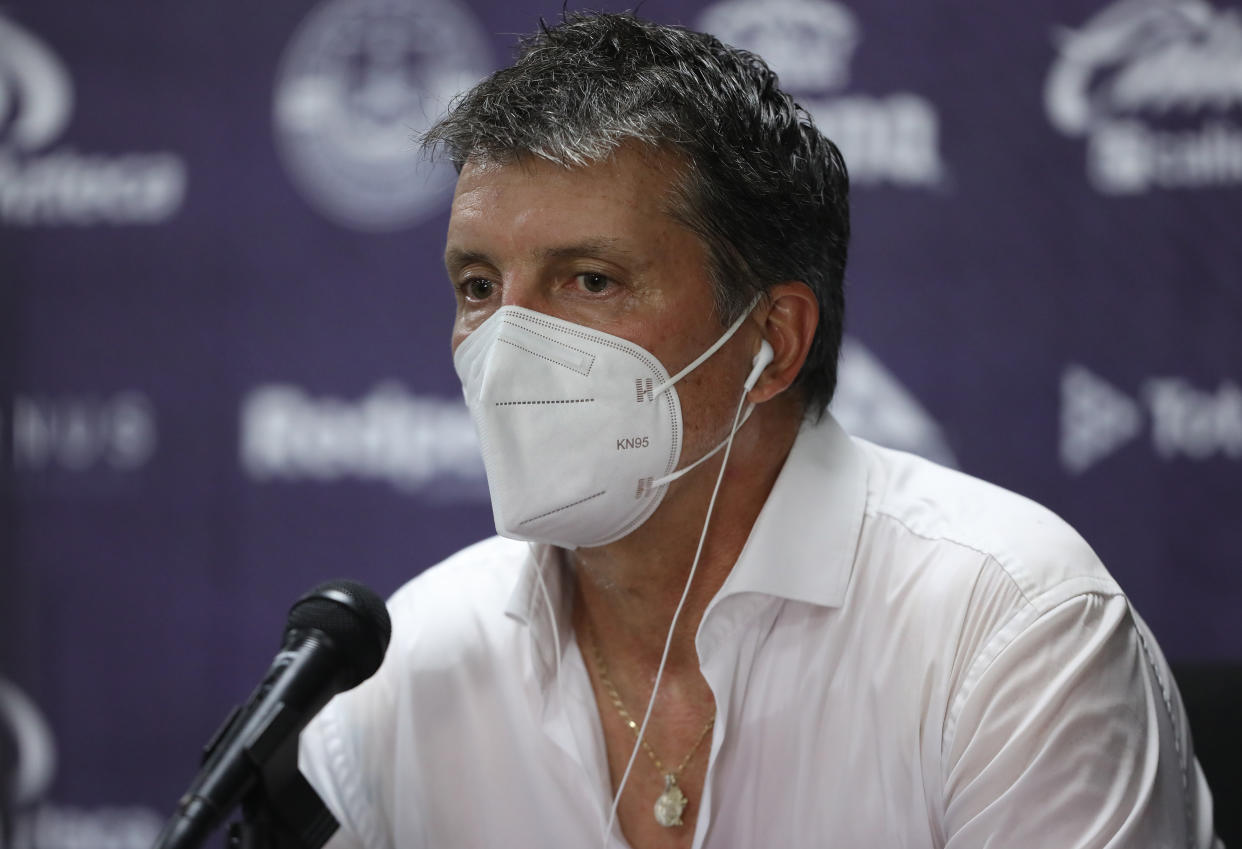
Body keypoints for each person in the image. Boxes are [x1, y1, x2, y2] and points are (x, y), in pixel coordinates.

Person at [299, 12, 1218, 848]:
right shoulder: (402, 675)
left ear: (770, 344)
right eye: (479, 287)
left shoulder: (1008, 627)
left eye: (589, 280)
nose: (505, 345)